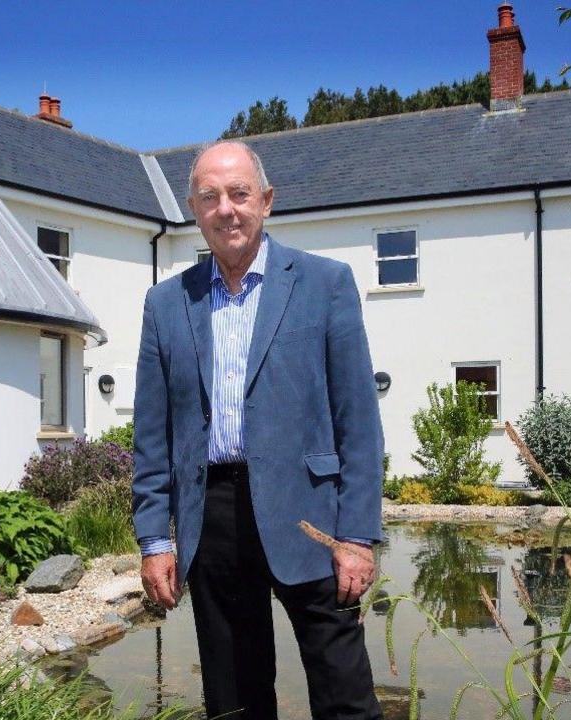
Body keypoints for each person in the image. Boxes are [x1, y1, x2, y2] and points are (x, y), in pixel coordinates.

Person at [131, 140, 385, 720]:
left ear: (266, 201)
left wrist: (358, 535)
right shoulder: (166, 304)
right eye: (211, 197)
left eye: (240, 194)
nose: (228, 209)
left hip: (312, 514)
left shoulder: (326, 284)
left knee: (345, 694)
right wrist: (155, 538)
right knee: (235, 699)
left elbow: (359, 426)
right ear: (194, 210)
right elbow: (152, 437)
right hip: (213, 515)